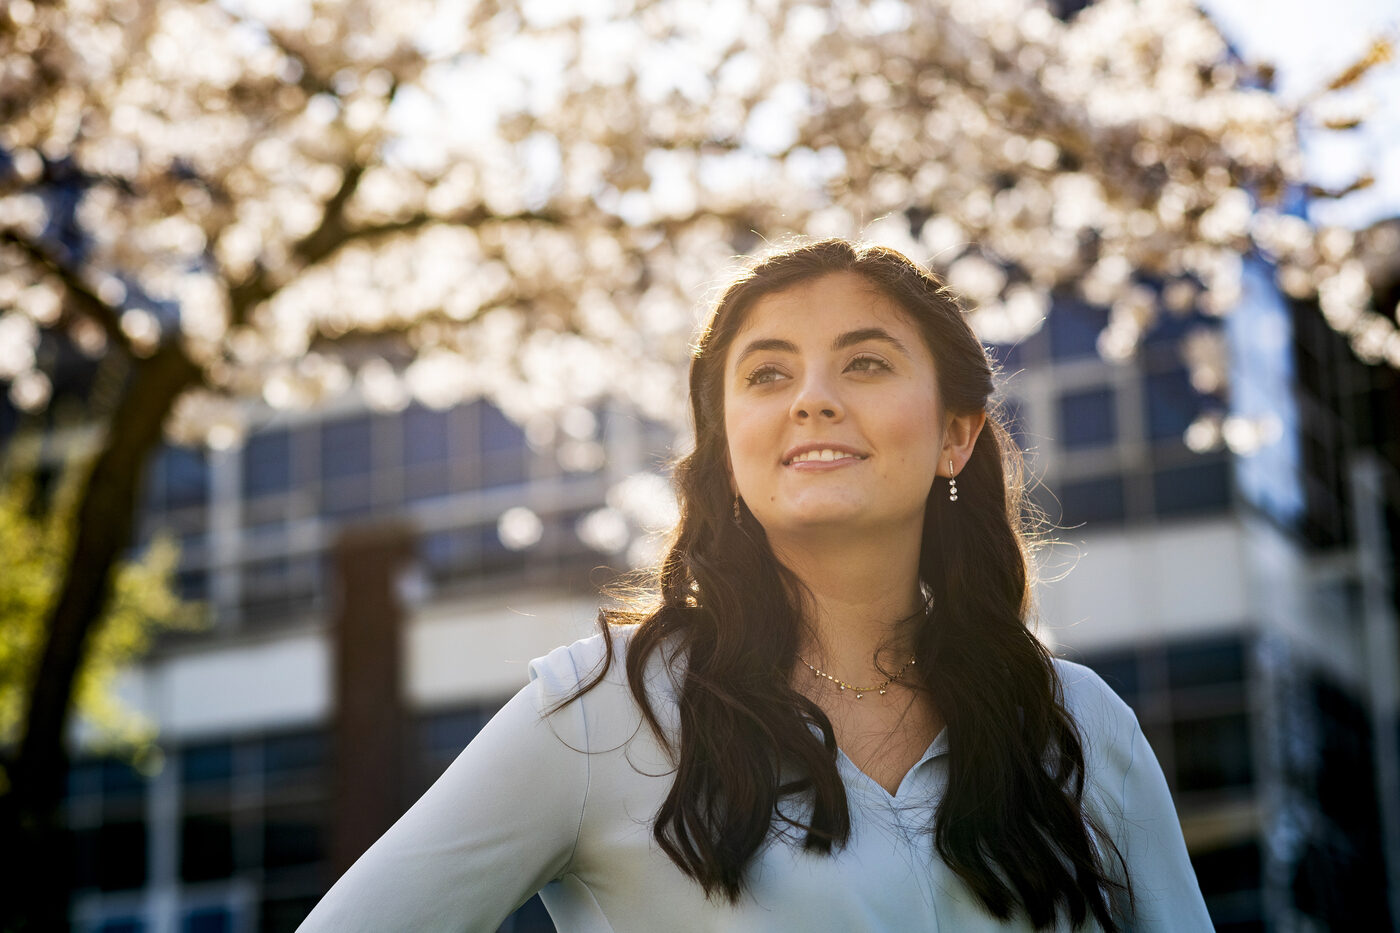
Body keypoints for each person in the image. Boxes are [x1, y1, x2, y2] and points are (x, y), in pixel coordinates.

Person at [298, 239, 1213, 932]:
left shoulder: (1079, 726)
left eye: (865, 362)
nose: (811, 398)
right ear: (729, 446)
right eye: (768, 373)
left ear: (956, 435)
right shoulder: (599, 714)